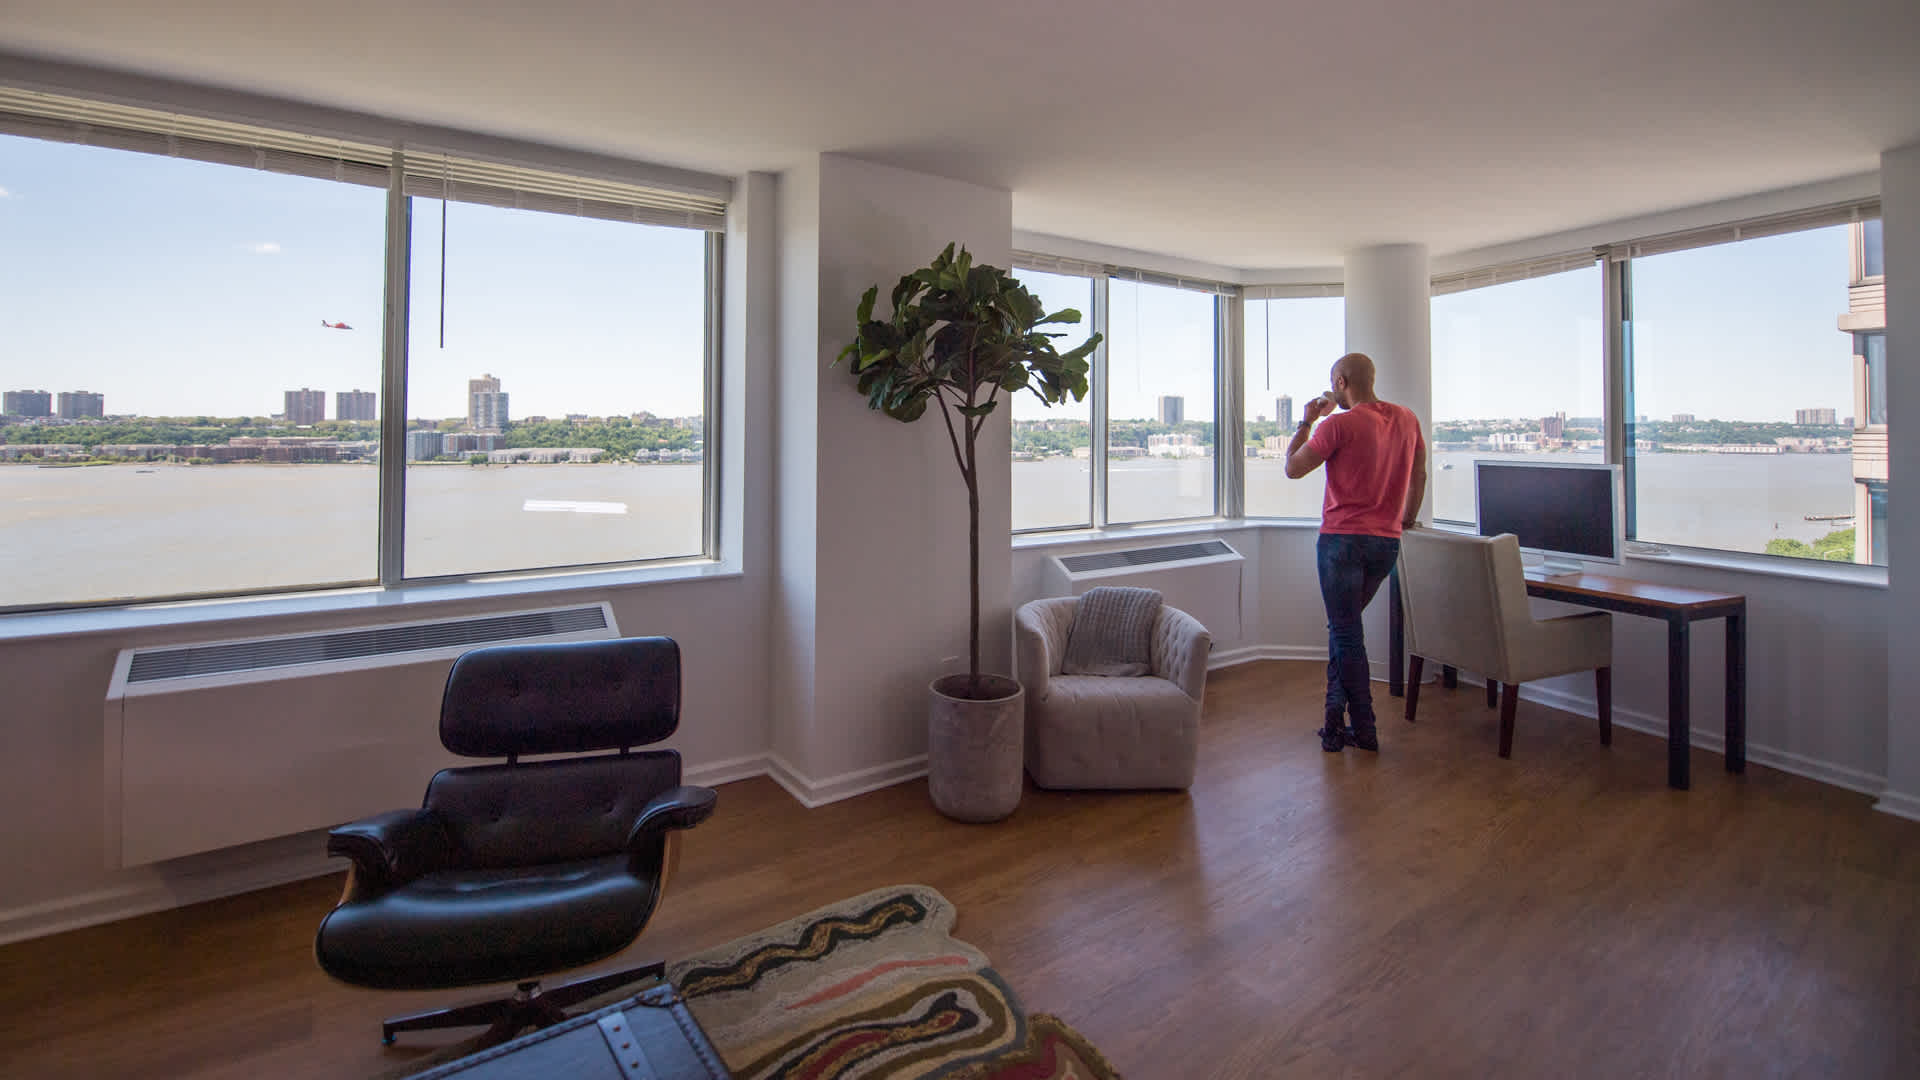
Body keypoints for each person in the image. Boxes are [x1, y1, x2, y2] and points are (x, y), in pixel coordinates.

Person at [1283, 352, 1427, 753]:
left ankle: (1364, 727)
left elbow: (1293, 468)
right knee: (1342, 628)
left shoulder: (1337, 425)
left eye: (1335, 383)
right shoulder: (1407, 419)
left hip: (1342, 543)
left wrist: (1307, 421)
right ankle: (1333, 720)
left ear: (1341, 382)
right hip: (1385, 544)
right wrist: (1406, 518)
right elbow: (1419, 474)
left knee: (1346, 632)